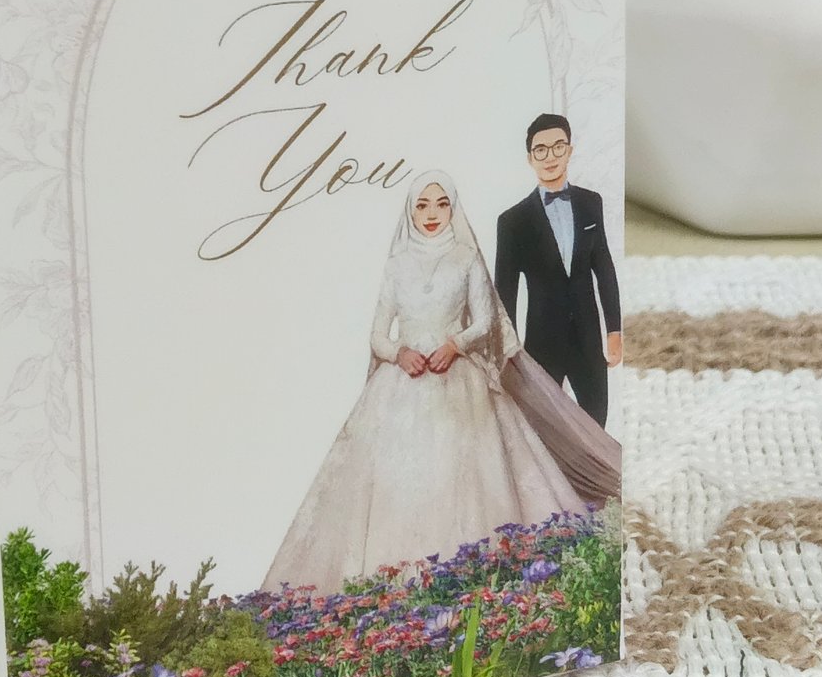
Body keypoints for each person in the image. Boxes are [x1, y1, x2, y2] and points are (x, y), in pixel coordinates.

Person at [263, 170, 619, 596]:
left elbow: (485, 321)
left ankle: (476, 582)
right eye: (422, 205)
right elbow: (377, 334)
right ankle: (394, 588)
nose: (432, 214)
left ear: (453, 208)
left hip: (459, 381)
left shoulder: (466, 258)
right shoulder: (397, 263)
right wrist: (399, 353)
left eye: (441, 204)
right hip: (402, 384)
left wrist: (455, 345)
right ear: (410, 211)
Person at [494, 114, 622, 428]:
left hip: (588, 341)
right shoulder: (513, 221)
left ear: (569, 150)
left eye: (558, 146)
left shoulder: (591, 203)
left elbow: (604, 268)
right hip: (541, 345)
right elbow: (505, 292)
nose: (550, 157)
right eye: (540, 150)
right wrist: (508, 353)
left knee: (596, 426)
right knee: (543, 429)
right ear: (530, 158)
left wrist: (614, 331)